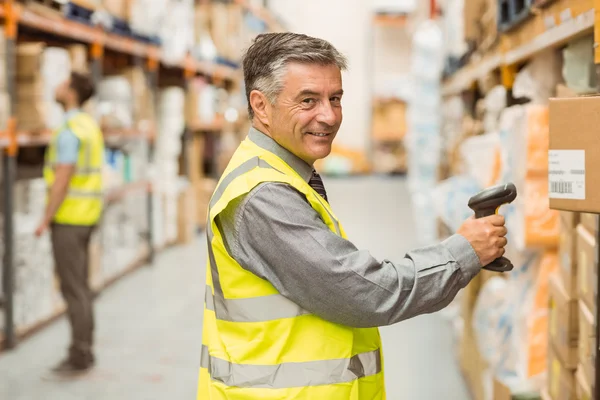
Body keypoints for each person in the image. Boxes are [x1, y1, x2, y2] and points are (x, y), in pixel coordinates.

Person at [197, 33, 507, 399]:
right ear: (261, 106)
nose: (328, 116)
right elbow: (363, 292)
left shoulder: (281, 172)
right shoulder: (263, 196)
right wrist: (462, 252)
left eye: (336, 98)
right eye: (308, 100)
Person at [35, 72, 104, 374]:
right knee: (81, 287)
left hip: (69, 218)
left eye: (62, 83)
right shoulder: (88, 125)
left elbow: (62, 178)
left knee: (73, 288)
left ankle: (80, 354)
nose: (57, 86)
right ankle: (85, 349)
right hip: (88, 215)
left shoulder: (69, 130)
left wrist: (45, 218)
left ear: (72, 93)